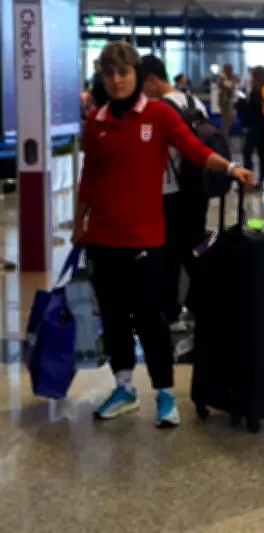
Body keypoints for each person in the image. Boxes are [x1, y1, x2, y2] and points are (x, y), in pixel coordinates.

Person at [72, 41, 253, 427]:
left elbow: (193, 148)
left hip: (145, 238)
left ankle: (165, 394)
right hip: (103, 238)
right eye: (109, 74)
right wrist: (78, 225)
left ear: (137, 74)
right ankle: (124, 387)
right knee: (114, 317)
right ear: (102, 78)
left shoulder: (158, 115)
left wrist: (230, 168)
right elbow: (89, 177)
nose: (117, 80)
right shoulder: (97, 121)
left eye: (123, 72)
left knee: (150, 317)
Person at [139, 54, 210, 336]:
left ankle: (171, 312)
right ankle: (199, 305)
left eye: (143, 86)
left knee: (169, 255)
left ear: (153, 81)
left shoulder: (159, 109)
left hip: (170, 191)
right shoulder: (194, 102)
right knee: (194, 247)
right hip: (198, 188)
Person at [217, 64, 238, 143]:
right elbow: (224, 87)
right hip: (224, 102)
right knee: (225, 120)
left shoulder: (230, 77)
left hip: (229, 101)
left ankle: (224, 135)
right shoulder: (222, 78)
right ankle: (223, 138)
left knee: (231, 118)